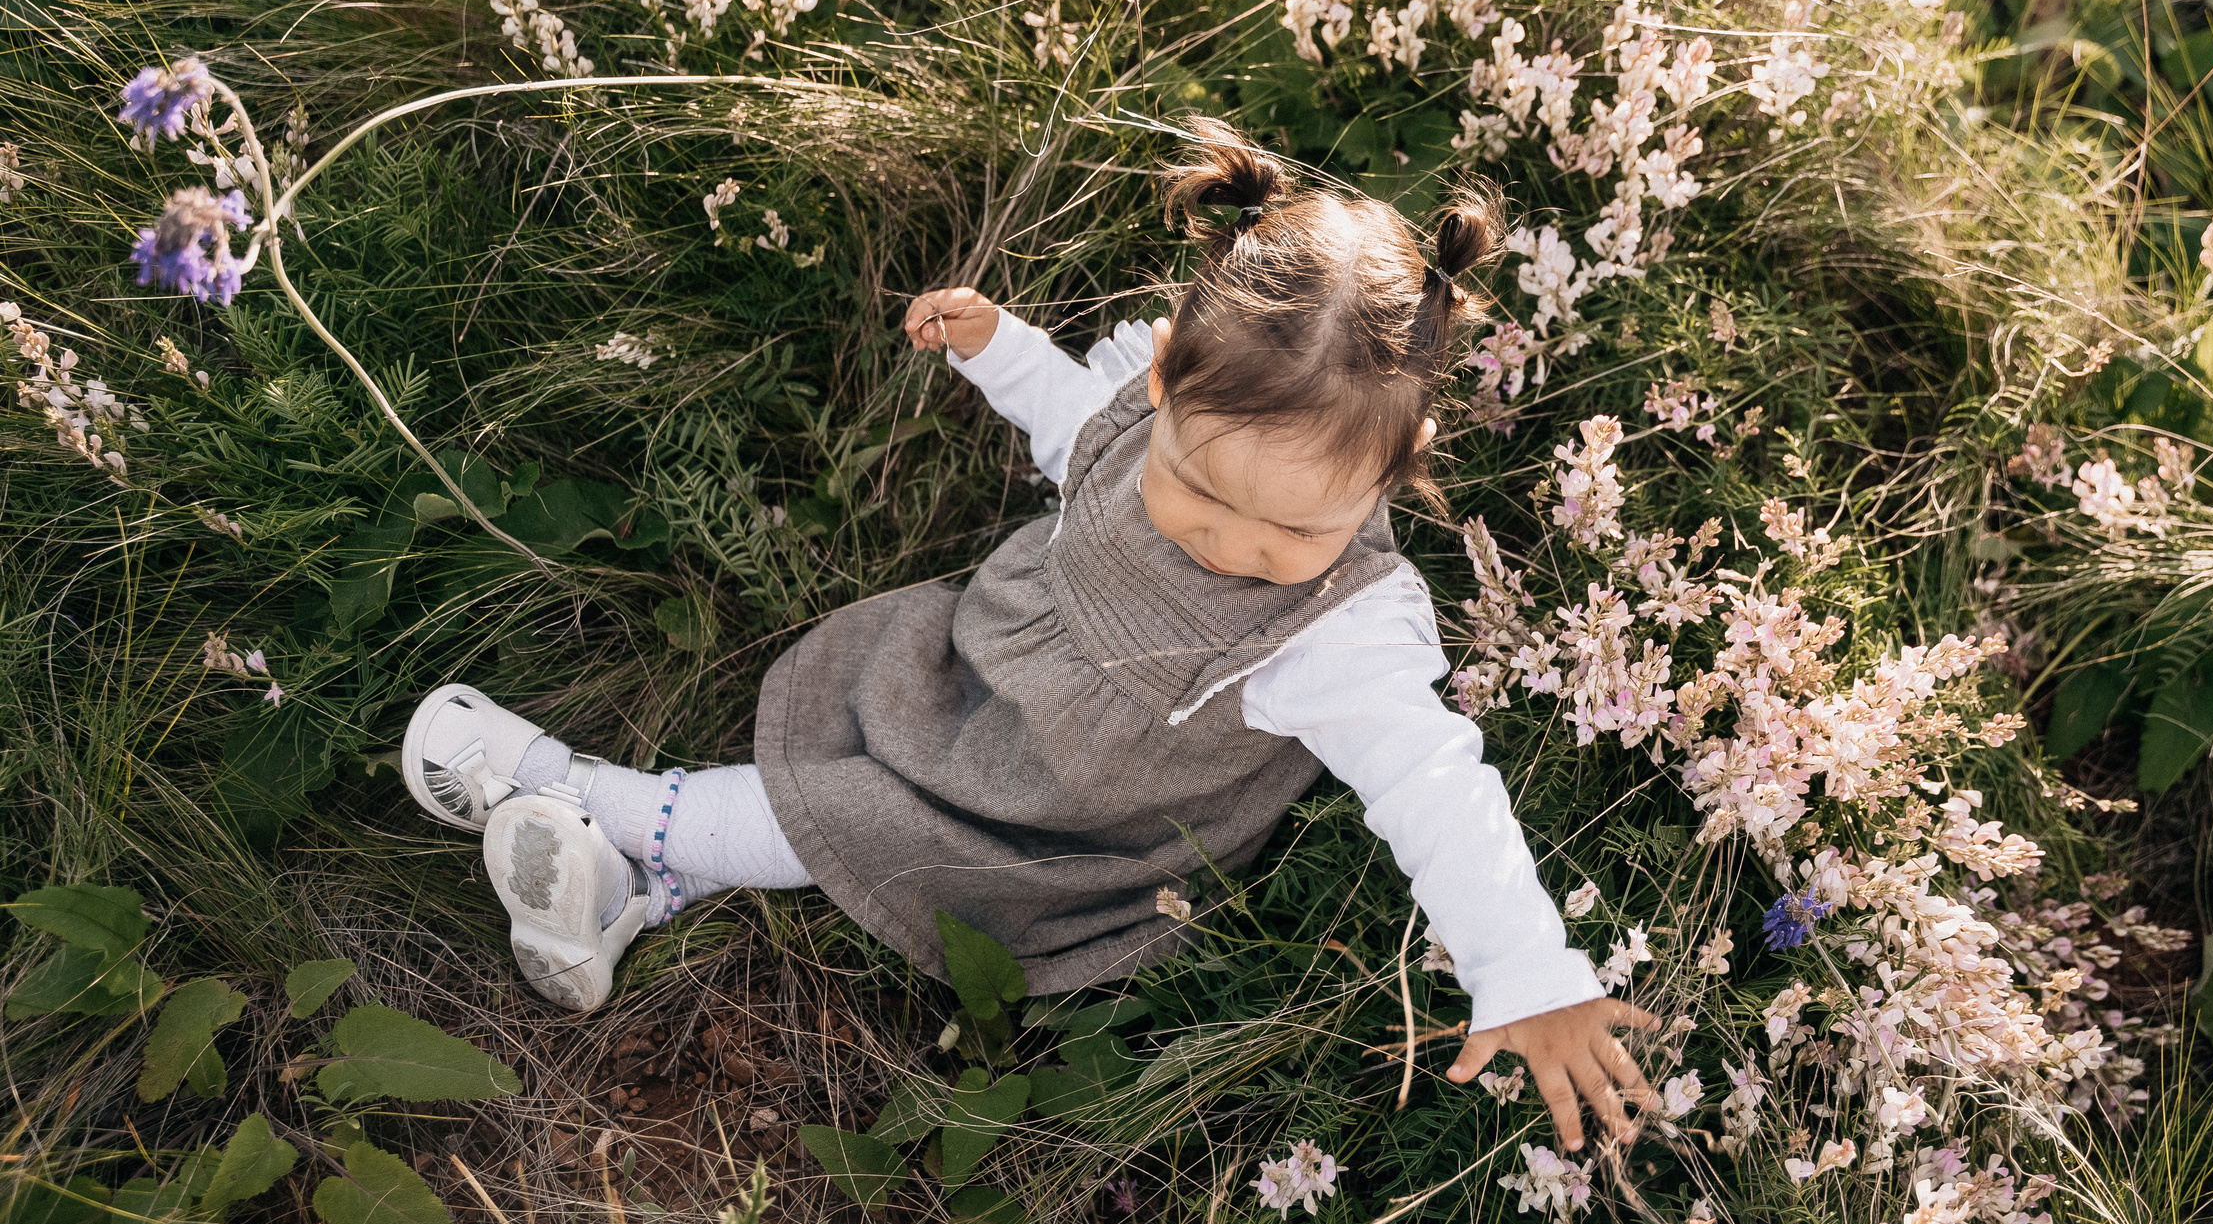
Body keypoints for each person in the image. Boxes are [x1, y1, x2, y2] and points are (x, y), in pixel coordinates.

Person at [399, 118, 1657, 1150]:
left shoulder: (1343, 635)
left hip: (1059, 811)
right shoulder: (1135, 410)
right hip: (979, 678)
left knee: (846, 812)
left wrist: (1529, 972)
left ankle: (590, 798)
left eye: (1288, 535)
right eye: (1200, 491)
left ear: (1392, 477)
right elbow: (1072, 427)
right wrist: (999, 350)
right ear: (1160, 382)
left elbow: (1439, 792)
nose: (1230, 543)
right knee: (856, 755)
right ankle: (633, 892)